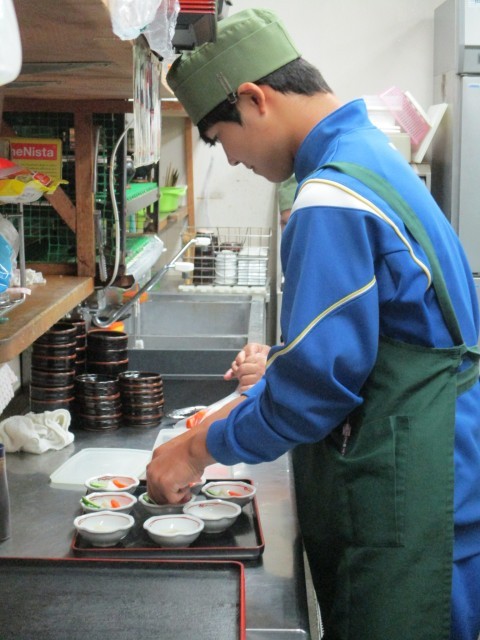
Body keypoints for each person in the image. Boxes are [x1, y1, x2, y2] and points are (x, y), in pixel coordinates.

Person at [146, 9, 480, 639]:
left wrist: (194, 450)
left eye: (220, 138)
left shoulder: (330, 194)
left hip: (412, 499)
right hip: (443, 472)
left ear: (255, 99)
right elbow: (377, 339)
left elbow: (312, 394)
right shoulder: (369, 156)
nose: (234, 160)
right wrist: (278, 368)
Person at [223, 176, 297, 392]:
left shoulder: (337, 275)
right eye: (285, 224)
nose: (291, 234)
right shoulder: (297, 268)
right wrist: (269, 354)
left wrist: (276, 369)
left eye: (297, 223)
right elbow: (304, 346)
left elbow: (340, 365)